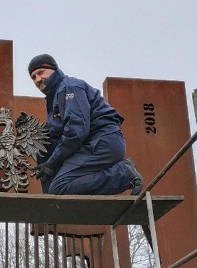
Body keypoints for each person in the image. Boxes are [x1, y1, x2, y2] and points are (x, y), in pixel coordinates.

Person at [27, 54, 143, 196]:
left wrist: (52, 163)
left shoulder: (69, 87)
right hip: (88, 146)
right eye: (33, 77)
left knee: (59, 187)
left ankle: (122, 175)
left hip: (102, 143)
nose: (38, 79)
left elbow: (76, 130)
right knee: (55, 187)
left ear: (54, 70)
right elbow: (56, 135)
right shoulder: (55, 97)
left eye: (41, 73)